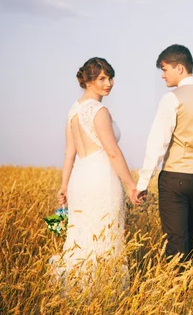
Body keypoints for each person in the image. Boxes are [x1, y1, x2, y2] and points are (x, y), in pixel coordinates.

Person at [50, 57, 142, 287]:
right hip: (102, 179)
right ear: (88, 80)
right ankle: (102, 292)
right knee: (105, 235)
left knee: (81, 235)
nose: (108, 83)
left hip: (80, 180)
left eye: (110, 77)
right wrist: (131, 185)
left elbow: (69, 153)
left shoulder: (73, 111)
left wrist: (64, 187)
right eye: (102, 78)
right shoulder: (99, 111)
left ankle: (76, 289)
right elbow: (112, 151)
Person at [135, 44, 193, 264]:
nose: (163, 76)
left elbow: (158, 141)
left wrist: (143, 181)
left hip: (176, 176)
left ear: (180, 68)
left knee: (176, 243)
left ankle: (178, 293)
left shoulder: (172, 99)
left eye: (165, 69)